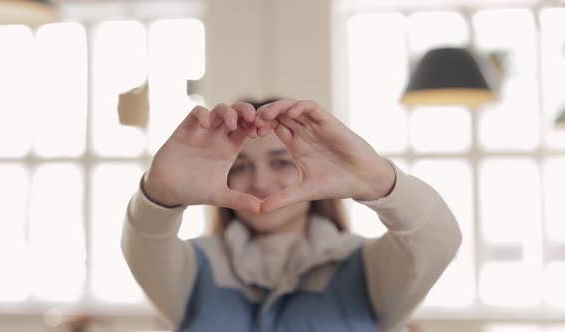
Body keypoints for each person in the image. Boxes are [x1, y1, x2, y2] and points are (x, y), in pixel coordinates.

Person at [121, 99, 462, 332]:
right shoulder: (194, 266)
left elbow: (438, 242)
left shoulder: (368, 265)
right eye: (240, 166)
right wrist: (159, 196)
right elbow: (144, 244)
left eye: (281, 162)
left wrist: (377, 180)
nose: (260, 181)